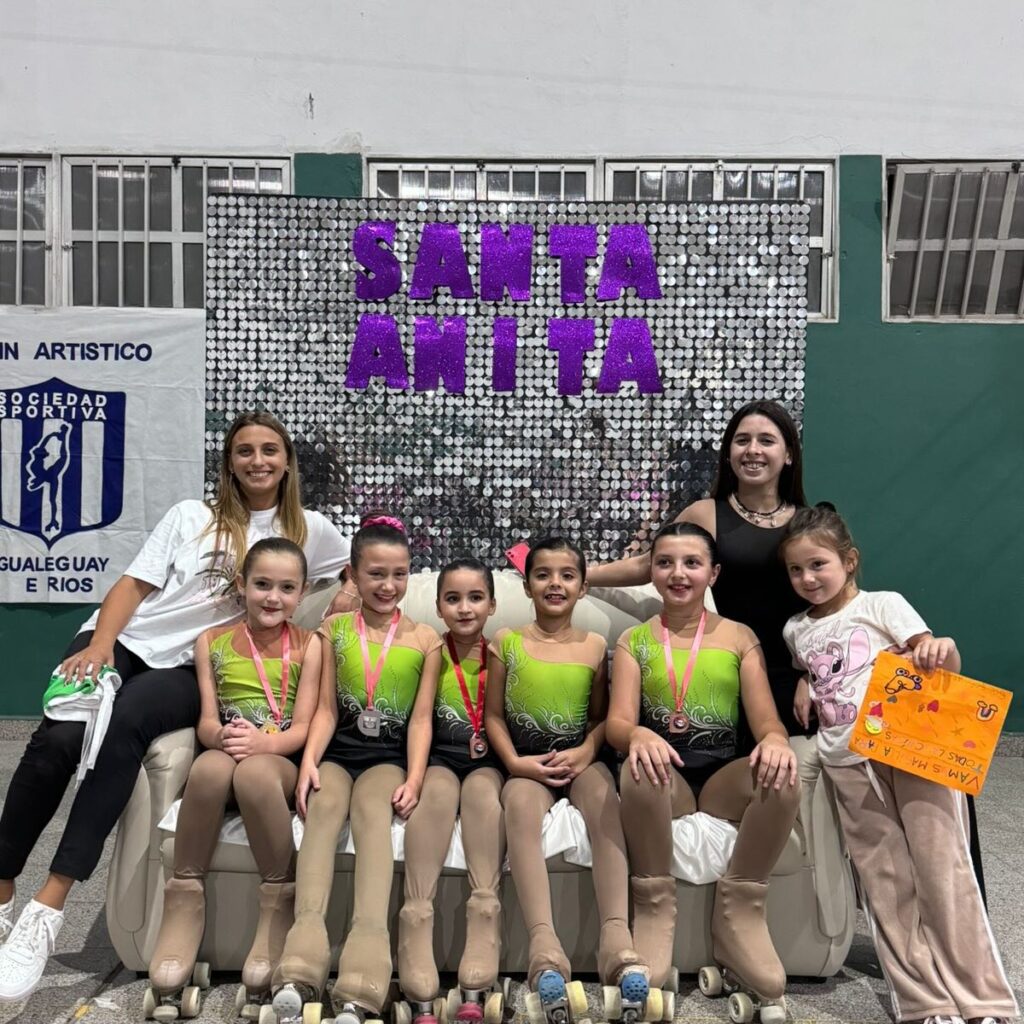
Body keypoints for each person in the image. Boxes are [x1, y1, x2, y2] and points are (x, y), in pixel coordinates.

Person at [0, 411, 350, 1003]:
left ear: (288, 461)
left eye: (269, 450)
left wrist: (343, 599)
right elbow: (133, 586)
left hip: (191, 666)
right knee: (56, 741)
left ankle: (48, 907)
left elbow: (359, 569)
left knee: (126, 726)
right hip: (123, 641)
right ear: (229, 462)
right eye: (244, 451)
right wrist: (100, 645)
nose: (258, 461)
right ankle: (3, 888)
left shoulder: (311, 529)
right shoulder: (192, 516)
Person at [780, 506, 1017, 1024]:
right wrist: (804, 682)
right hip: (846, 763)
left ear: (849, 561)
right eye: (796, 570)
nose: (807, 578)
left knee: (944, 871)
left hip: (911, 752)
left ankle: (982, 1001)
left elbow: (937, 664)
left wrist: (941, 649)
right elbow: (819, 669)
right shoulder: (794, 629)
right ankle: (925, 1002)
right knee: (886, 884)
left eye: (818, 564)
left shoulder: (883, 604)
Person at [607, 522, 800, 1024]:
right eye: (665, 562)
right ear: (652, 573)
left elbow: (767, 722)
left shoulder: (738, 637)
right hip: (664, 780)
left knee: (783, 775)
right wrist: (637, 735)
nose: (678, 573)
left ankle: (741, 911)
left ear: (712, 574)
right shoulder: (634, 640)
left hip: (719, 782)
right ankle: (653, 905)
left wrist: (776, 741)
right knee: (638, 770)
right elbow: (617, 724)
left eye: (692, 563)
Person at [272, 515, 442, 1024]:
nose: (388, 585)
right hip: (338, 753)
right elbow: (324, 710)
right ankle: (300, 964)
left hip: (388, 760)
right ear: (353, 574)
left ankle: (365, 972)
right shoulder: (333, 631)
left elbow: (421, 719)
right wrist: (308, 763)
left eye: (399, 574)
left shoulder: (425, 640)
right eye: (376, 574)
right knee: (322, 813)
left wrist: (415, 778)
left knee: (373, 819)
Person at [145, 538, 322, 1020]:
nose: (273, 597)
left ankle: (278, 899)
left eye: (286, 588)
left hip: (277, 758)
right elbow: (205, 722)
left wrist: (264, 744)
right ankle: (184, 899)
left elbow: (304, 728)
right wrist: (222, 736)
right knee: (207, 769)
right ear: (241, 585)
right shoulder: (212, 642)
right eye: (262, 584)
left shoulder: (310, 646)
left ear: (302, 592)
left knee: (255, 775)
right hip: (228, 750)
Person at [483, 537, 649, 1024]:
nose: (555, 583)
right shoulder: (506, 641)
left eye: (567, 575)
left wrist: (587, 751)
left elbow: (600, 718)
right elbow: (493, 716)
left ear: (582, 587)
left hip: (581, 760)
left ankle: (616, 938)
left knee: (605, 801)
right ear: (527, 586)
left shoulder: (596, 646)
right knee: (518, 807)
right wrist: (516, 764)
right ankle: (544, 945)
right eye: (543, 575)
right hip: (526, 764)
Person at [587, 399, 807, 739]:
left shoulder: (808, 523)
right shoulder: (706, 514)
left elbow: (835, 606)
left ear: (789, 454)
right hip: (723, 671)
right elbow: (646, 563)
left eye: (766, 440)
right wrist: (578, 575)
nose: (753, 450)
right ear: (728, 452)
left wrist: (812, 675)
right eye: (742, 440)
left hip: (795, 680)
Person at [397, 558, 506, 1024]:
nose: (465, 608)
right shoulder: (430, 651)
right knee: (435, 798)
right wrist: (415, 777)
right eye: (453, 599)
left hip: (487, 762)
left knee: (482, 799)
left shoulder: (503, 652)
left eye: (475, 598)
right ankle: (415, 923)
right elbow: (419, 718)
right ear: (439, 606)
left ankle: (484, 927)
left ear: (492, 605)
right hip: (440, 758)